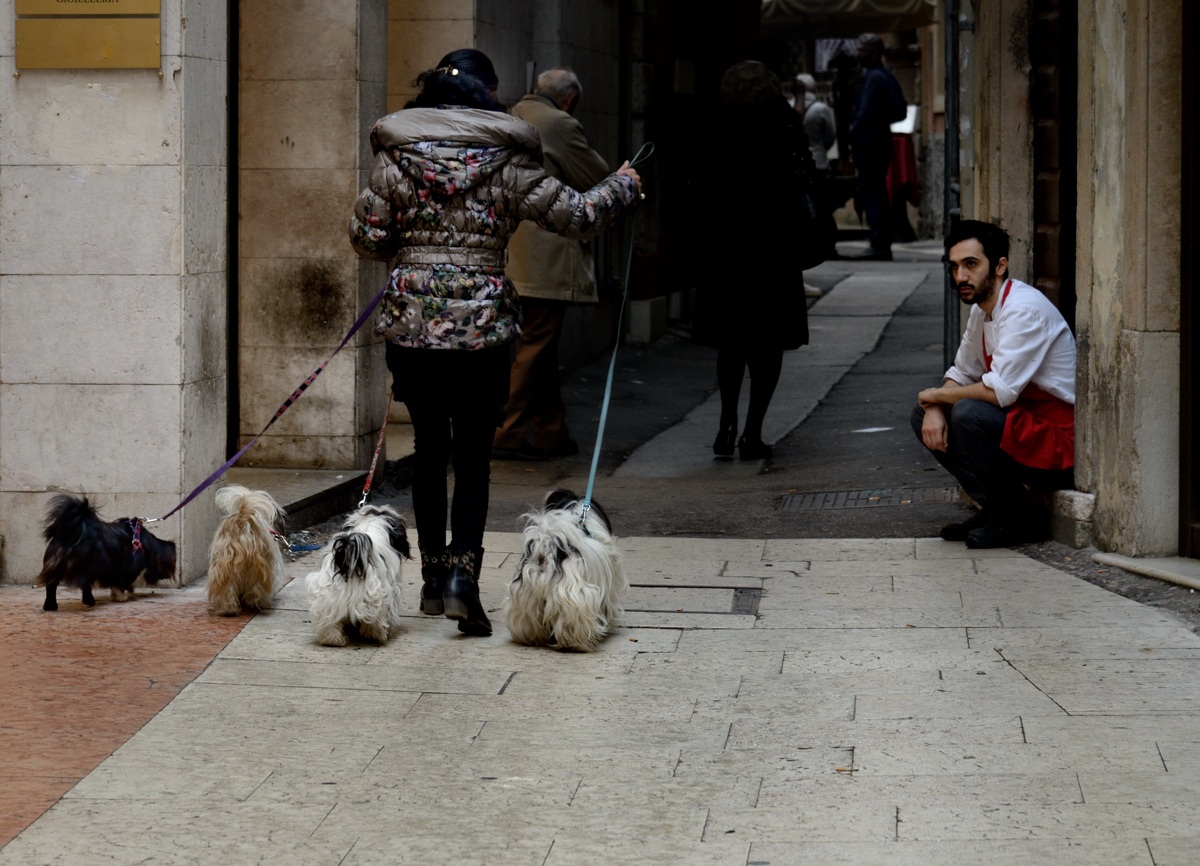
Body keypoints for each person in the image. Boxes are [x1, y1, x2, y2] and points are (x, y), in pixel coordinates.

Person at [349, 49, 642, 636]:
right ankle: (464, 580)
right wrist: (624, 185)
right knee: (474, 459)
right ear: (486, 95)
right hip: (484, 327)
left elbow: (367, 239)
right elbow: (578, 215)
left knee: (430, 449)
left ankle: (431, 580)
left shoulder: (396, 158)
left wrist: (418, 251)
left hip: (414, 325)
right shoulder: (510, 160)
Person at [911, 220, 1076, 549]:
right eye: (954, 267)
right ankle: (996, 508)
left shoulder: (1023, 310)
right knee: (923, 417)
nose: (960, 277)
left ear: (1000, 266)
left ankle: (1014, 517)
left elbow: (999, 392)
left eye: (971, 265)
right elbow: (961, 372)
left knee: (968, 414)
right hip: (1019, 426)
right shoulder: (981, 310)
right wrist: (933, 407)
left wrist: (937, 396)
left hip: (1054, 441)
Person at [695, 60, 816, 462]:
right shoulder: (784, 131)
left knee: (731, 342)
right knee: (768, 344)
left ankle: (726, 424)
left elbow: (701, 189)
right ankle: (752, 432)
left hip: (727, 250)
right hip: (772, 250)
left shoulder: (714, 133)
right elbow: (806, 180)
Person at [492, 68, 611, 461]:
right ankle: (505, 432)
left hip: (508, 248)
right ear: (570, 99)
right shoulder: (559, 123)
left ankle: (550, 430)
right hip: (544, 251)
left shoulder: (510, 114)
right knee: (536, 343)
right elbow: (596, 177)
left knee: (539, 345)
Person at [848, 34, 898, 261]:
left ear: (874, 52)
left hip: (870, 145)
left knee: (873, 194)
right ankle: (880, 242)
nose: (858, 54)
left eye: (862, 50)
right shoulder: (880, 76)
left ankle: (879, 243)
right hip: (877, 142)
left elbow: (864, 113)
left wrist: (852, 131)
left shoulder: (875, 78)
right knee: (876, 193)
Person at [795, 73, 839, 263]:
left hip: (797, 162)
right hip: (818, 160)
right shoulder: (821, 108)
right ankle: (823, 242)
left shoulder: (789, 106)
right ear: (812, 88)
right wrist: (820, 148)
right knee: (820, 204)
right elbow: (830, 135)